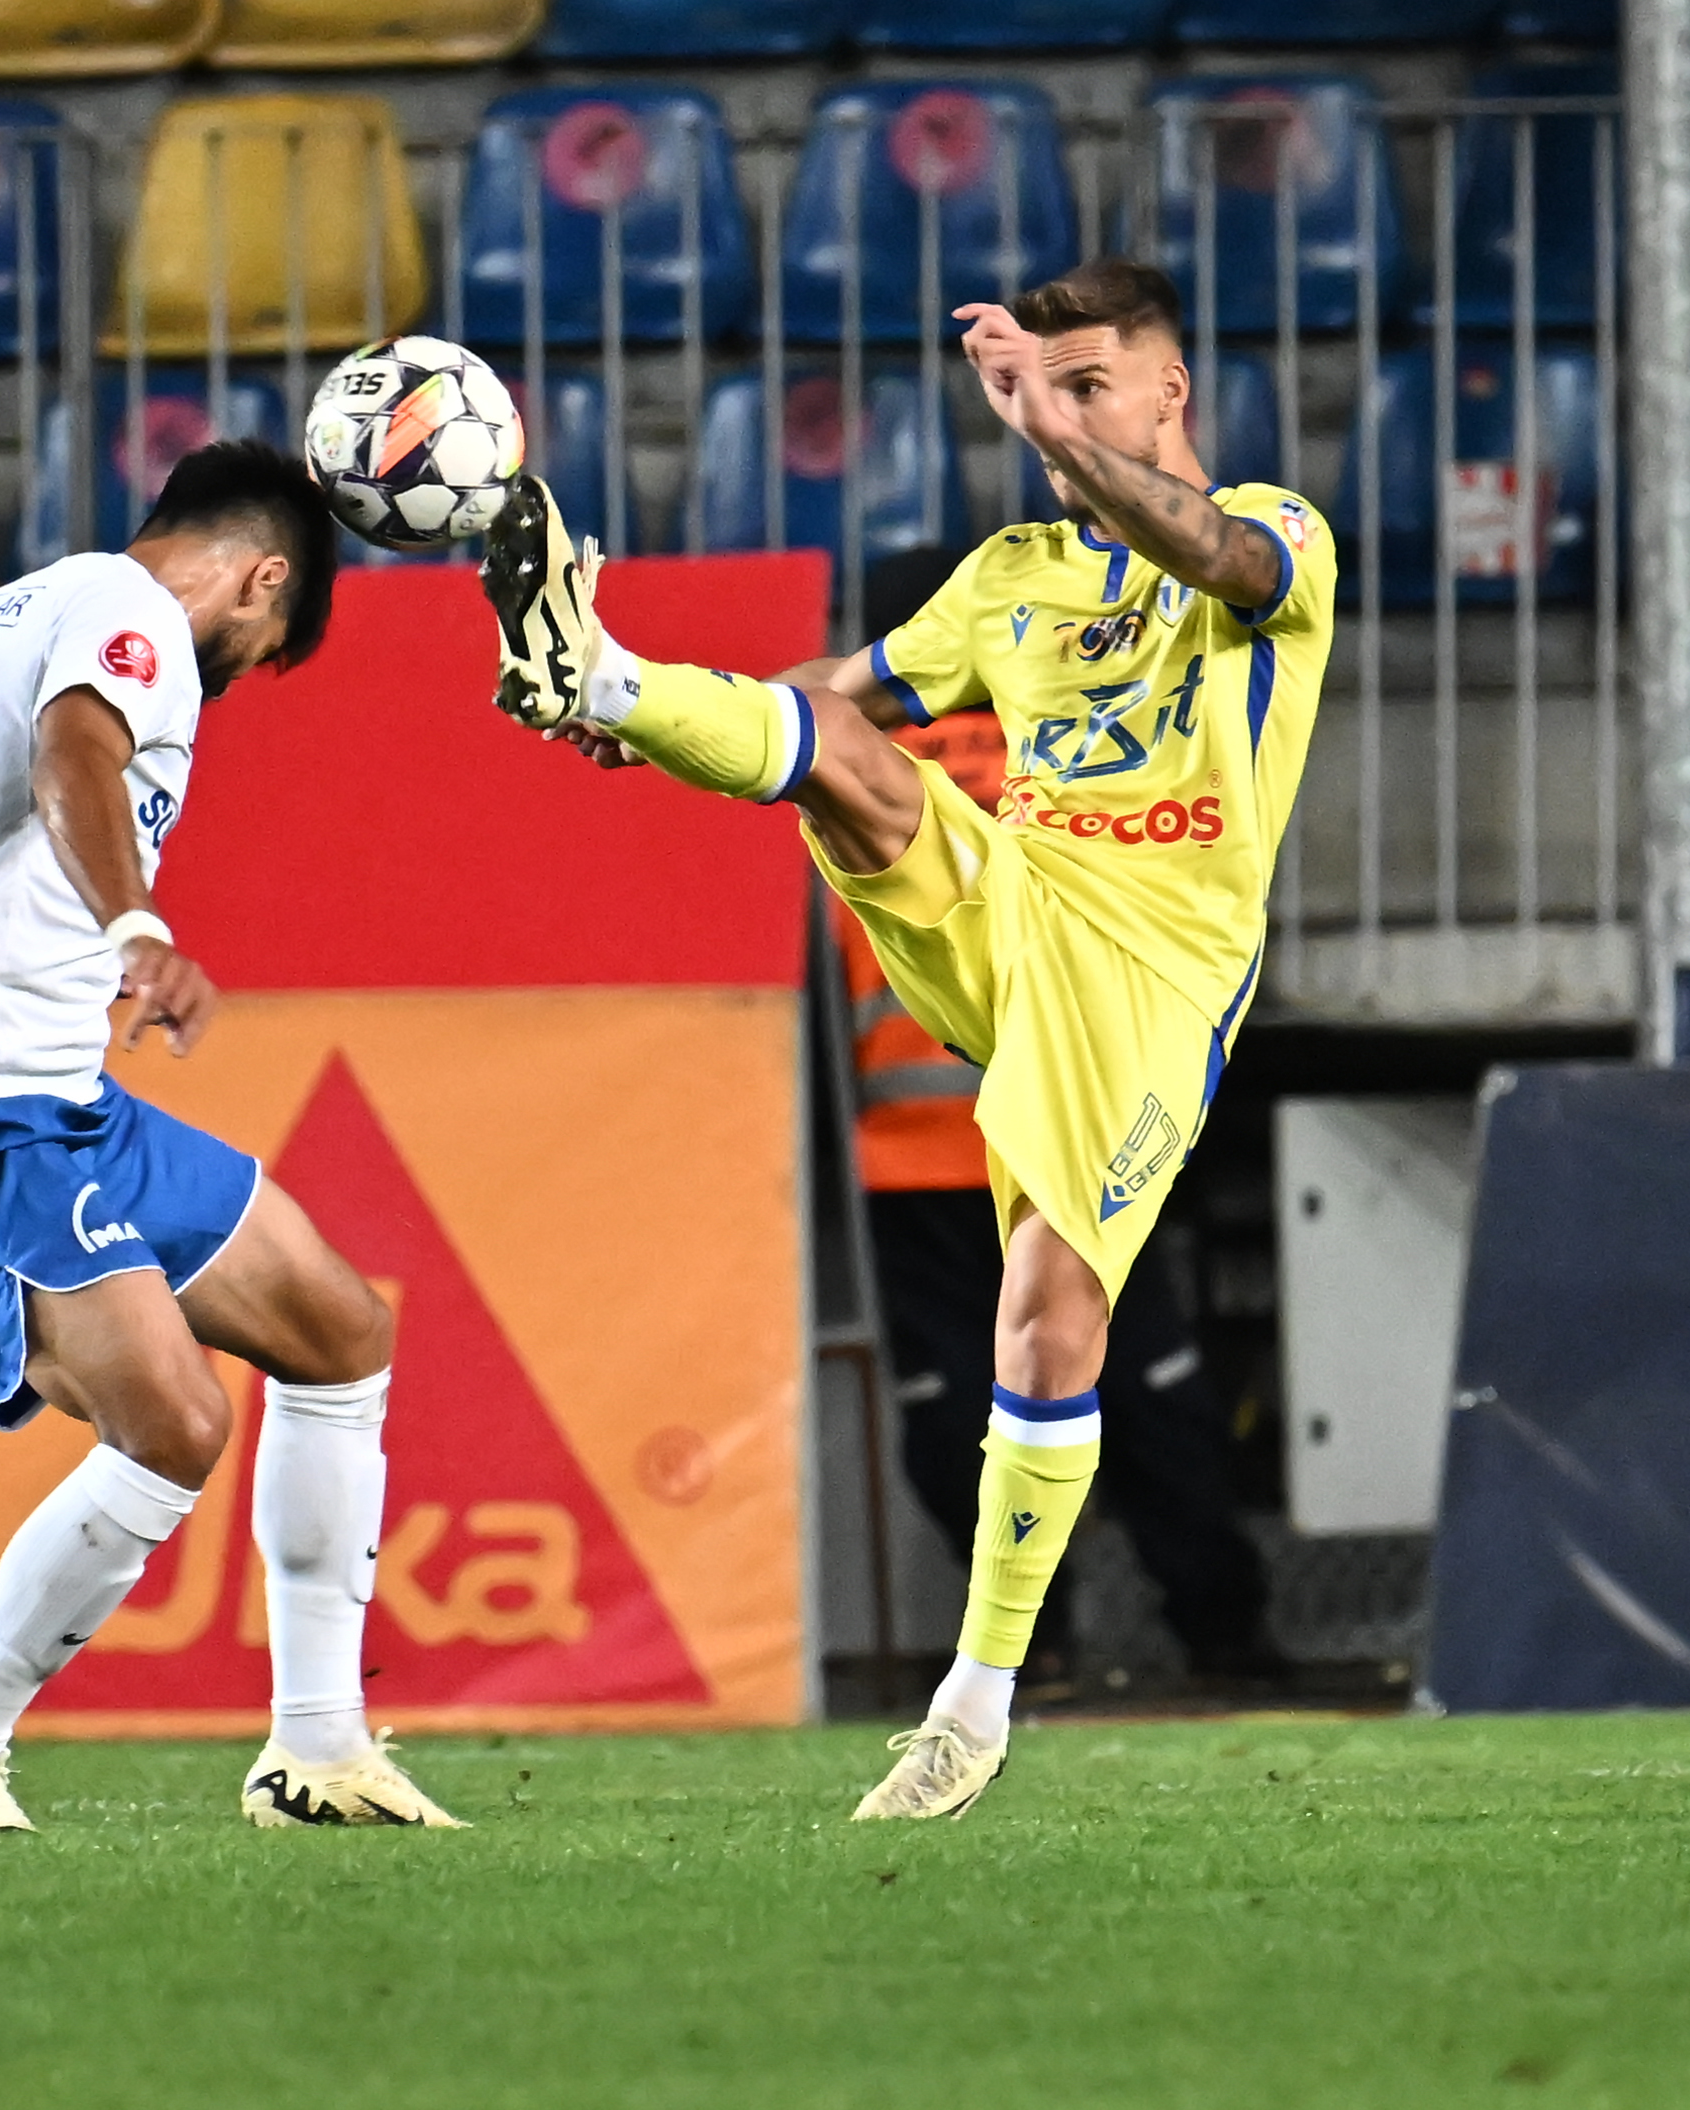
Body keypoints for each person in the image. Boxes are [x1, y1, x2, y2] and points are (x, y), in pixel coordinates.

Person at [482, 257, 1333, 1820]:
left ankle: (974, 1701)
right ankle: (585, 657)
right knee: (857, 767)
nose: (1060, 414)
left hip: (1154, 970)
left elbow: (1197, 539)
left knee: (1049, 1323)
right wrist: (647, 715)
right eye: (1044, 386)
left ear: (1169, 392)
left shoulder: (1280, 535)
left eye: (1092, 385)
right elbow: (833, 693)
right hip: (1021, 902)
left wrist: (1051, 429)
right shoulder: (1011, 572)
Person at [0, 439, 460, 1835]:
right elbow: (74, 752)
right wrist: (135, 929)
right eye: (266, 639)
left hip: (49, 1093)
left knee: (339, 1328)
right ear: (262, 578)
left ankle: (318, 1753)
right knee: (175, 1423)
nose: (243, 668)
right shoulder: (133, 618)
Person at [845, 550, 1287, 1700]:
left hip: (920, 1172)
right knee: (1146, 1396)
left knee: (969, 1419)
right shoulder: (1079, 745)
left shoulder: (862, 771)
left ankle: (1030, 1655)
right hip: (1085, 1124)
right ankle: (1221, 1641)